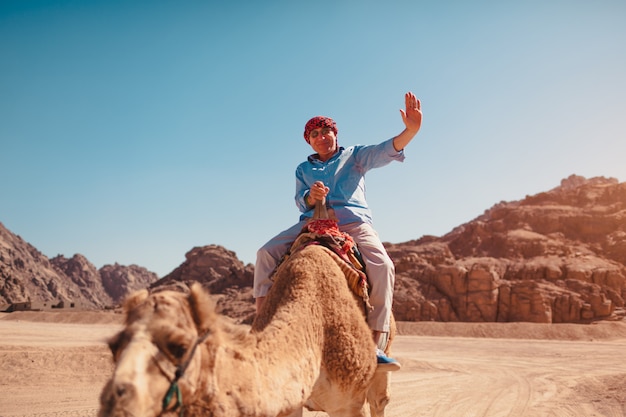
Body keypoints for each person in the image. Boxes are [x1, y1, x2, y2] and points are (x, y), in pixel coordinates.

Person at [254, 91, 423, 370]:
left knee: (383, 266)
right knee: (265, 253)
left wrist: (410, 131)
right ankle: (261, 325)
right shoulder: (302, 168)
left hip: (352, 222)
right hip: (310, 223)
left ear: (335, 134)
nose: (321, 137)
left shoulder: (355, 156)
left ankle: (376, 343)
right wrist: (312, 196)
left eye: (326, 131)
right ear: (309, 140)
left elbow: (386, 149)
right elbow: (299, 200)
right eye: (315, 134)